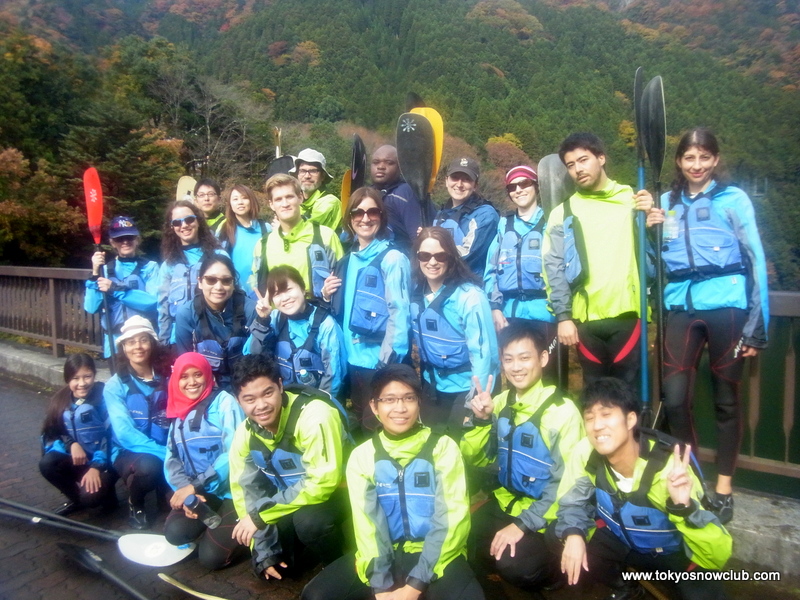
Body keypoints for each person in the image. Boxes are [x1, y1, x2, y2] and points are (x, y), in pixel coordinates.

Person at [646, 127, 769, 523]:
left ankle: (724, 488)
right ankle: (691, 480)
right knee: (677, 399)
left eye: (703, 158)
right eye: (688, 158)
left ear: (715, 160)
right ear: (679, 162)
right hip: (680, 306)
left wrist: (757, 325)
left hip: (728, 307)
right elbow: (654, 266)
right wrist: (650, 232)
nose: (696, 165)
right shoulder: (666, 202)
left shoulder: (733, 200)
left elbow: (755, 257)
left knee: (726, 401)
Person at [301, 364, 485, 600]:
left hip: (438, 555)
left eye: (408, 398)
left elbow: (451, 522)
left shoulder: (444, 448)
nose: (400, 408)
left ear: (419, 403)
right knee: (316, 596)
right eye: (389, 399)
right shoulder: (362, 456)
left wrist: (413, 587)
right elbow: (368, 527)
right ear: (374, 406)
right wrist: (381, 587)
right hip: (383, 555)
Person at [553, 378, 731, 600]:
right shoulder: (587, 451)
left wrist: (684, 508)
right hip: (622, 542)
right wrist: (573, 534)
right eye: (589, 418)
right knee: (560, 532)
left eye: (606, 415)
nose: (597, 425)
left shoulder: (668, 471)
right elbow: (570, 502)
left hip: (670, 554)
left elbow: (718, 556)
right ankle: (623, 586)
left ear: (630, 419)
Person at [462, 322, 583, 594]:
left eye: (525, 358)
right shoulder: (501, 402)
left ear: (542, 358)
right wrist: (481, 422)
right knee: (462, 540)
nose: (516, 367)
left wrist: (522, 524)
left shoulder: (563, 413)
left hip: (546, 514)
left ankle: (556, 572)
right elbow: (476, 459)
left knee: (517, 567)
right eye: (509, 359)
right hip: (506, 501)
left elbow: (568, 484)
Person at [542, 133, 653, 391]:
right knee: (594, 397)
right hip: (585, 322)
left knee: (628, 397)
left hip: (628, 315)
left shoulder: (632, 201)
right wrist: (563, 317)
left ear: (601, 158)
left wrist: (652, 218)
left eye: (583, 160)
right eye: (570, 165)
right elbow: (553, 268)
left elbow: (656, 251)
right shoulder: (563, 212)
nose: (578, 169)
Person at [228, 354, 349, 582]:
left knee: (309, 523)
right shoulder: (244, 433)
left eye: (268, 393)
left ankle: (338, 566)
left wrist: (262, 515)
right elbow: (245, 493)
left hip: (342, 491)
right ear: (238, 401)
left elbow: (323, 482)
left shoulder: (315, 416)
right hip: (294, 495)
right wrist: (264, 552)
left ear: (280, 386)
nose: (261, 405)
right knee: (279, 566)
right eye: (250, 399)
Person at [321, 187, 412, 435]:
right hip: (351, 361)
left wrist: (389, 362)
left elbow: (399, 312)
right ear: (349, 219)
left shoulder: (392, 259)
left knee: (382, 432)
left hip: (378, 363)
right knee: (361, 428)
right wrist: (326, 294)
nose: (365, 218)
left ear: (381, 216)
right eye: (357, 212)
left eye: (372, 211)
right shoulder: (348, 260)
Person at [410, 227, 499, 433]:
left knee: (463, 448)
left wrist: (475, 397)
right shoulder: (416, 295)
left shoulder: (470, 297)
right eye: (425, 255)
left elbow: (484, 352)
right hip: (432, 385)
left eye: (440, 256)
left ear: (451, 256)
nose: (432, 262)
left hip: (465, 388)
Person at [163, 352, 246, 570]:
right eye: (184, 376)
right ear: (176, 380)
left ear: (208, 375)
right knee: (174, 533)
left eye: (198, 374)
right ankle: (217, 523)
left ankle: (250, 531)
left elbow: (235, 452)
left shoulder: (225, 403)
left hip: (234, 491)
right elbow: (171, 459)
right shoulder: (177, 411)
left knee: (211, 558)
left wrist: (196, 485)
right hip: (200, 491)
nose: (191, 382)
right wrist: (186, 493)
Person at [484, 166, 558, 384]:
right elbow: (491, 269)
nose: (519, 190)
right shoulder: (503, 225)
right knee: (517, 376)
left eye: (524, 184)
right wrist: (495, 307)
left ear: (536, 186)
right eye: (512, 187)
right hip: (510, 313)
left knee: (548, 378)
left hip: (545, 312)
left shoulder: (551, 221)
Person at [104, 315, 173, 529]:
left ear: (152, 343)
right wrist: (165, 455)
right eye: (131, 342)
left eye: (143, 340)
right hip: (130, 451)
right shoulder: (114, 386)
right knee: (149, 467)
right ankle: (136, 502)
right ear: (123, 347)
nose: (138, 346)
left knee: (170, 506)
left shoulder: (168, 377)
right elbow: (124, 433)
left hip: (165, 447)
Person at [39, 353, 116, 515]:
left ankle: (105, 493)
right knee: (48, 464)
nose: (82, 383)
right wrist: (71, 444)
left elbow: (111, 435)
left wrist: (97, 466)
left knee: (92, 500)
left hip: (104, 461)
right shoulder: (60, 400)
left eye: (87, 377)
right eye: (75, 378)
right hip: (79, 459)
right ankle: (77, 499)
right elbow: (53, 430)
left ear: (94, 375)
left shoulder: (105, 397)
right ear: (67, 379)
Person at [249, 174, 343, 299]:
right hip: (278, 316)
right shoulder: (263, 245)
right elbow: (257, 286)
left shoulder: (325, 237)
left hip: (319, 314)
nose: (285, 204)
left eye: (289, 197)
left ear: (300, 198)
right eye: (278, 199)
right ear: (271, 204)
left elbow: (341, 280)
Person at [174, 254, 259, 390]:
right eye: (211, 280)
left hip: (247, 382)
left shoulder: (250, 309)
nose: (218, 287)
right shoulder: (186, 314)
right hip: (205, 384)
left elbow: (258, 358)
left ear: (233, 284)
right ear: (200, 282)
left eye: (226, 281)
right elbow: (186, 361)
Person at [265, 265, 347, 399]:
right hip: (284, 399)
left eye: (288, 290)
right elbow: (252, 353)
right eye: (277, 294)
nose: (284, 298)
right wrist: (261, 320)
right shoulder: (275, 318)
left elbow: (334, 375)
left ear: (302, 289)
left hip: (318, 402)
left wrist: (321, 405)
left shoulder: (326, 324)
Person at [84, 216, 158, 358]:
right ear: (112, 242)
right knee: (119, 380)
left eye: (129, 237)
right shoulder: (103, 271)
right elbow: (91, 307)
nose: (125, 242)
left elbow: (153, 302)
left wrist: (115, 289)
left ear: (137, 240)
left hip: (142, 341)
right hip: (115, 341)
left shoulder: (150, 268)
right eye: (119, 239)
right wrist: (94, 272)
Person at [157, 200, 225, 345]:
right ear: (172, 227)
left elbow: (233, 293)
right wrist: (164, 341)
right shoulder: (168, 265)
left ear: (198, 221)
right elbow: (163, 308)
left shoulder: (219, 256)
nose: (184, 225)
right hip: (178, 339)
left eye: (189, 219)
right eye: (177, 222)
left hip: (214, 336)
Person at [433, 157, 499, 278]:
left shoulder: (486, 215)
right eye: (455, 177)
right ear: (446, 181)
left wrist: (434, 252)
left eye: (467, 179)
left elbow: (469, 254)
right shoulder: (441, 214)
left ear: (475, 186)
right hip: (441, 281)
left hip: (469, 285)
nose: (459, 184)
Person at [217, 184, 270, 297]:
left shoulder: (266, 228)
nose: (240, 202)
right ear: (230, 205)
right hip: (234, 293)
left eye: (244, 198)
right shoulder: (224, 229)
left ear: (251, 201)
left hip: (263, 292)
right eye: (235, 199)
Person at [371, 144, 426, 253]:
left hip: (400, 260)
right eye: (376, 162)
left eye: (389, 163)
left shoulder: (405, 193)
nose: (381, 166)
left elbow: (417, 241)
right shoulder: (368, 193)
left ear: (400, 168)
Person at [290, 148, 342, 230]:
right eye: (302, 171)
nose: (307, 176)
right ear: (297, 175)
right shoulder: (297, 202)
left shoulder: (330, 202)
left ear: (323, 176)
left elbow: (307, 231)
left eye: (313, 171)